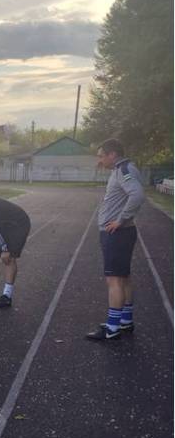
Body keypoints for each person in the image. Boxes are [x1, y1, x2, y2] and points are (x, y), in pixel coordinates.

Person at [86, 138, 145, 340]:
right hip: (121, 233)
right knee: (123, 277)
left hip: (117, 234)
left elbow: (136, 195)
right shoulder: (123, 169)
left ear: (113, 155)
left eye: (102, 156)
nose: (100, 160)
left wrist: (119, 220)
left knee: (114, 280)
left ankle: (112, 329)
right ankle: (124, 321)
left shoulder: (123, 170)